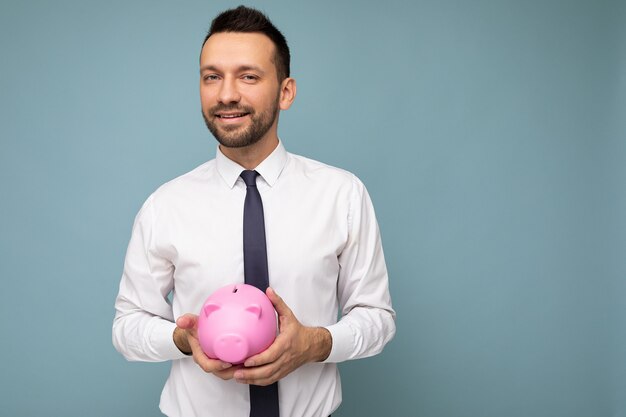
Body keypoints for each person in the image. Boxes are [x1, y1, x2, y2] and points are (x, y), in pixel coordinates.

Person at [112, 5, 395, 417]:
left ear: (285, 91)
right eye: (212, 77)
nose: (226, 94)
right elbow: (127, 326)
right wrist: (182, 339)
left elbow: (377, 318)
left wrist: (314, 344)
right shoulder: (165, 206)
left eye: (248, 76)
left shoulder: (342, 194)